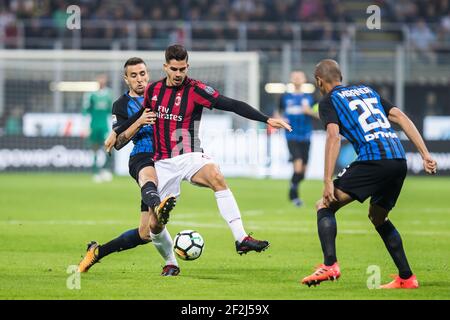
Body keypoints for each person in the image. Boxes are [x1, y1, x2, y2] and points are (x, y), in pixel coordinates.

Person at [107, 44, 292, 257]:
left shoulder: (196, 89)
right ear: (166, 67)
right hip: (163, 162)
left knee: (216, 176)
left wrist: (266, 119)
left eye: (183, 69)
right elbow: (139, 114)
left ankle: (241, 238)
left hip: (189, 155)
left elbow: (231, 104)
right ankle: (170, 262)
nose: (178, 74)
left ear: (188, 67)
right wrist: (116, 132)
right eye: (174, 69)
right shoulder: (154, 90)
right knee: (153, 227)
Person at [301, 59, 437, 289]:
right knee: (378, 217)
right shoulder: (367, 90)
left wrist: (326, 181)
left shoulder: (328, 101)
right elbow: (401, 117)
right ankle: (406, 278)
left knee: (324, 206)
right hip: (398, 159)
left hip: (374, 160)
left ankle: (330, 265)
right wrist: (425, 154)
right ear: (341, 76)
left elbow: (334, 136)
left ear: (318, 81)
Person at [78, 57, 179, 276]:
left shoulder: (162, 94)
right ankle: (171, 261)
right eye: (134, 75)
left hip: (167, 159)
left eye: (142, 74)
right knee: (149, 182)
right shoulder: (120, 105)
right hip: (141, 155)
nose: (139, 79)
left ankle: (97, 252)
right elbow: (120, 141)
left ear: (148, 75)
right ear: (126, 79)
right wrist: (139, 122)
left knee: (145, 233)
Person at [276, 70, 318, 207]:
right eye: (294, 76)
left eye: (300, 76)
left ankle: (293, 183)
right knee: (298, 165)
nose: (297, 78)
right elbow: (277, 113)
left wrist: (309, 111)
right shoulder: (285, 97)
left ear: (305, 79)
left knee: (303, 172)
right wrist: (279, 118)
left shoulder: (312, 97)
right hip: (291, 135)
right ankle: (294, 196)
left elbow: (320, 115)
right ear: (291, 79)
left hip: (306, 135)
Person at [82, 74, 114, 182]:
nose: (101, 81)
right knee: (94, 149)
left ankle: (105, 170)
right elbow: (86, 111)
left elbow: (112, 111)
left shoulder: (109, 94)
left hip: (105, 126)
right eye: (99, 79)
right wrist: (86, 126)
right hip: (94, 126)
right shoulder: (91, 95)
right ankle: (95, 172)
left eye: (103, 79)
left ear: (105, 81)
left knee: (109, 148)